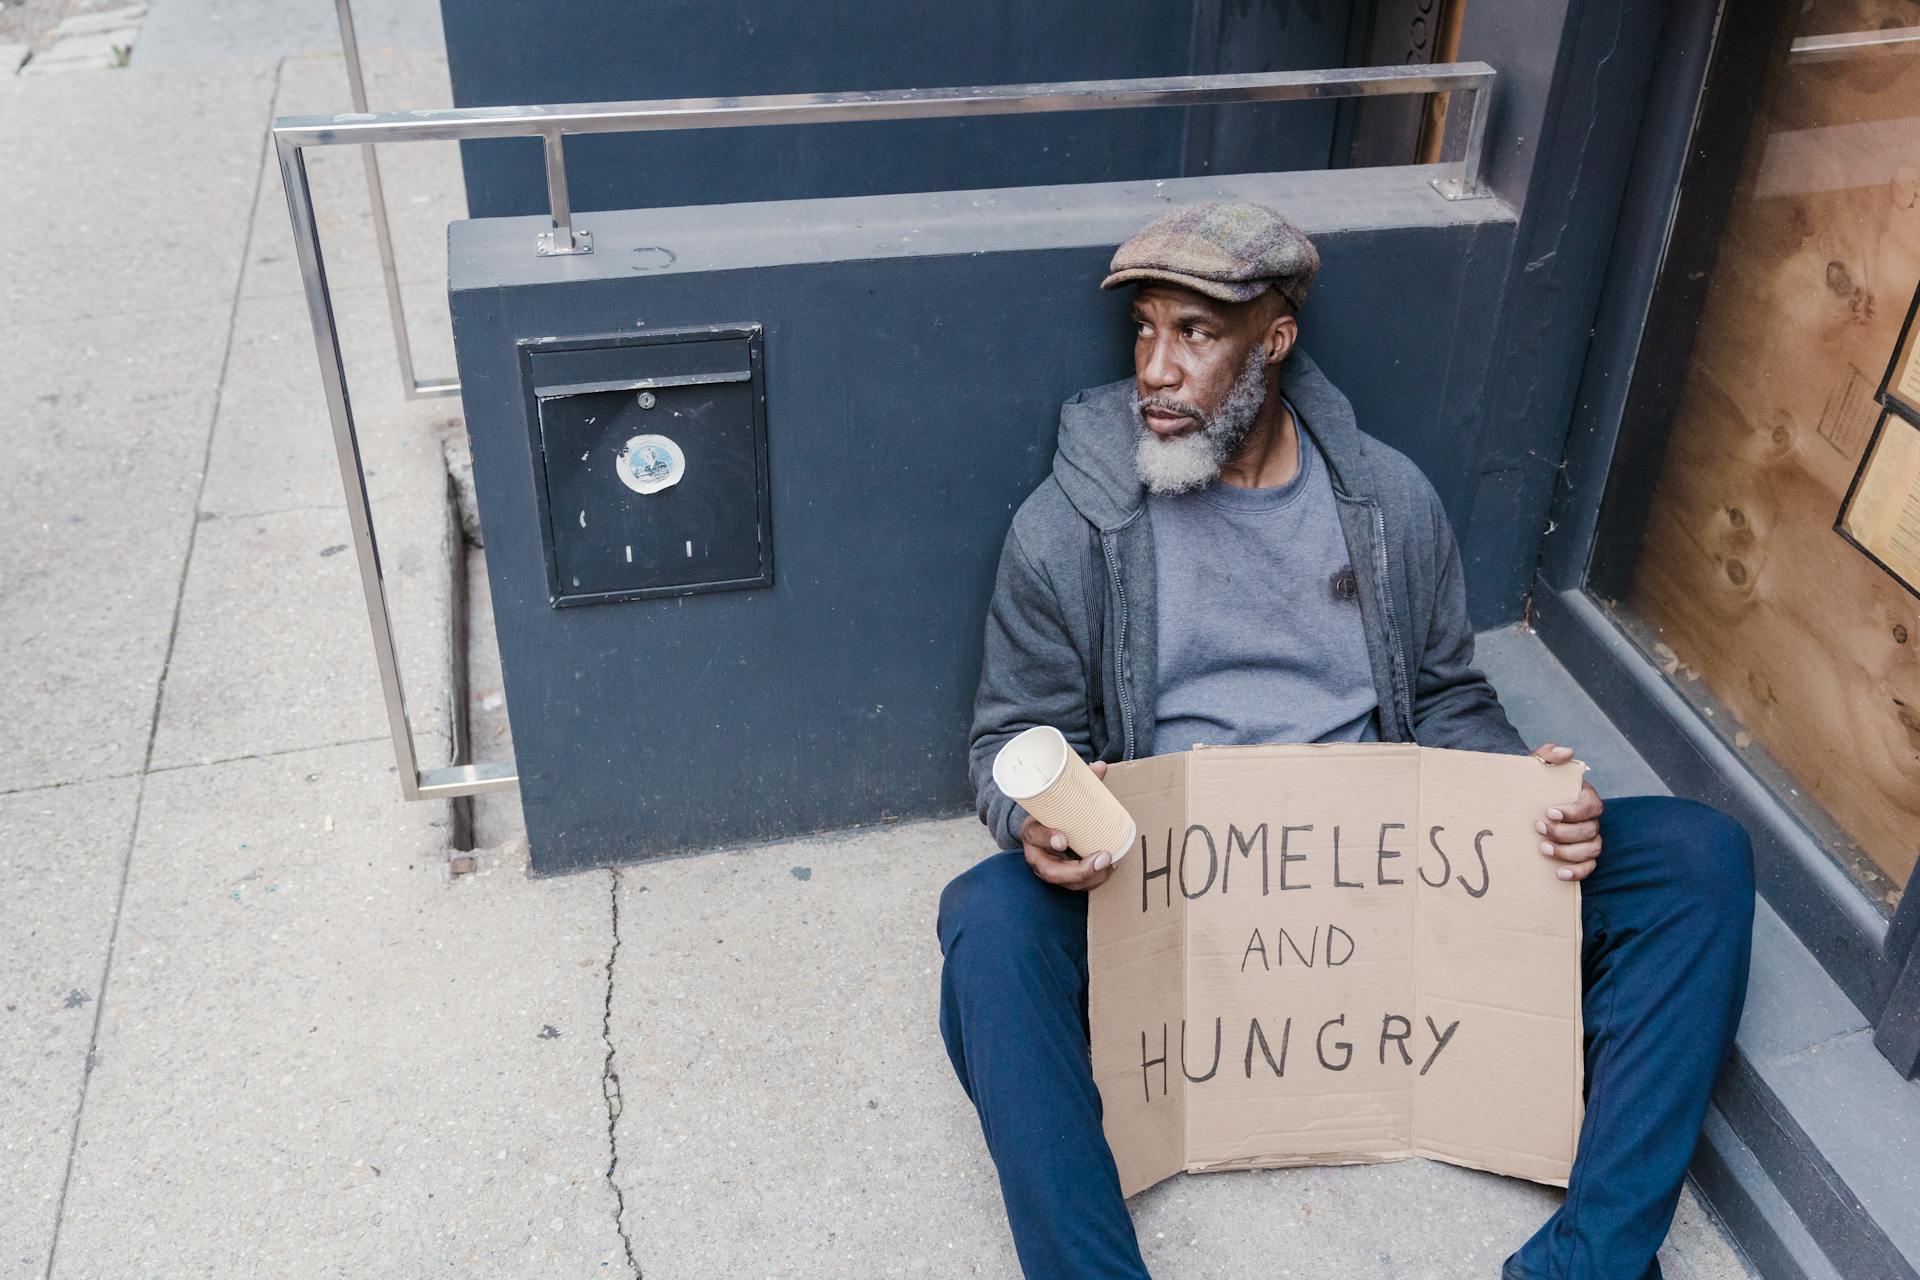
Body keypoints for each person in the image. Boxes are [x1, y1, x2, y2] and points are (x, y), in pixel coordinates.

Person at [935, 201, 1755, 1280]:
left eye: (1196, 332)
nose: (1156, 369)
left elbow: (1451, 700)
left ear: (1273, 340)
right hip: (1169, 899)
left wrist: (1524, 792)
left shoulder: (1387, 503)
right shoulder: (1069, 527)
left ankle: (1588, 1263)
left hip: (1381, 893)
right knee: (986, 922)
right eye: (1144, 329)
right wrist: (1034, 816)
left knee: (1700, 858)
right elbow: (1011, 736)